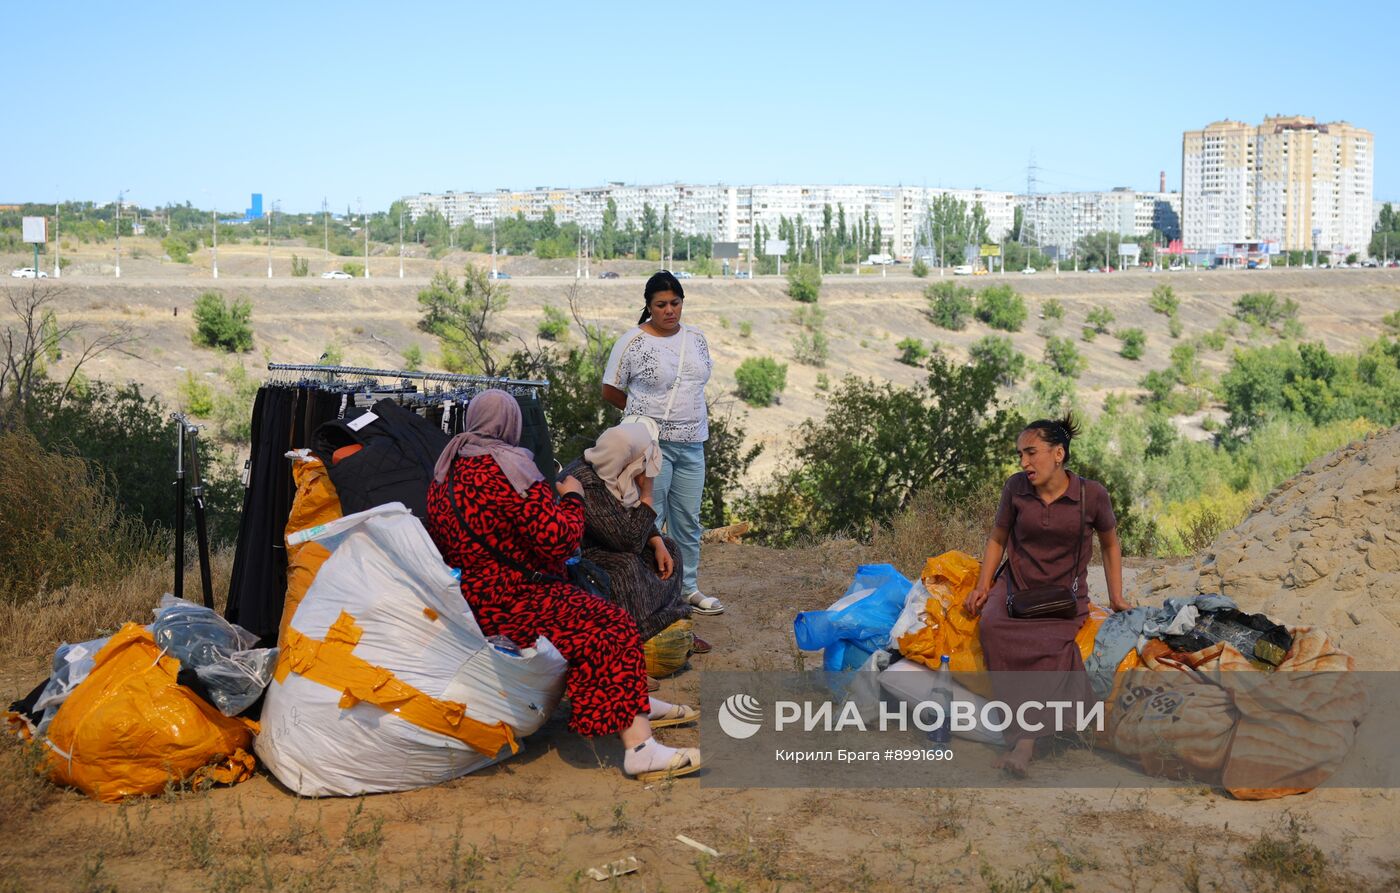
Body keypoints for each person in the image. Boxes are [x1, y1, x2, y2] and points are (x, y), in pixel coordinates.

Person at [424, 389, 701, 782]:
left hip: (473, 599)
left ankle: (634, 700)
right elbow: (560, 539)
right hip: (518, 599)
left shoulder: (445, 472)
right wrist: (572, 500)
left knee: (602, 616)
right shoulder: (512, 472)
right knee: (612, 624)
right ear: (511, 423)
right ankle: (641, 749)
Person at [962, 414, 1128, 777]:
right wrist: (982, 585)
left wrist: (1116, 597)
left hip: (1062, 597)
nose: (1023, 462)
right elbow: (998, 538)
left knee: (1054, 648)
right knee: (991, 627)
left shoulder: (1091, 494)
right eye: (1020, 454)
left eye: (1031, 453)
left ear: (1058, 453)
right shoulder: (1016, 488)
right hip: (1016, 587)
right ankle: (1020, 729)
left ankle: (1024, 743)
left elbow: (1111, 544)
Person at [602, 271, 723, 616]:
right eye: (661, 304)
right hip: (650, 445)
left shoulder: (696, 338)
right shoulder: (632, 342)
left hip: (692, 441)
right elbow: (610, 389)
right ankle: (652, 590)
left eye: (675, 303)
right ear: (649, 307)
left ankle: (688, 589)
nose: (670, 310)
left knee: (688, 519)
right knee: (650, 518)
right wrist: (641, 415)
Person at [563, 424, 709, 656]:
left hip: (615, 543)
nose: (645, 470)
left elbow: (629, 520)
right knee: (627, 567)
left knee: (670, 548)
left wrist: (657, 540)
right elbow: (628, 540)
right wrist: (648, 494)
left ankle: (670, 624)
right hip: (588, 557)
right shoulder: (587, 482)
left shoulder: (614, 472)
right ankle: (635, 642)